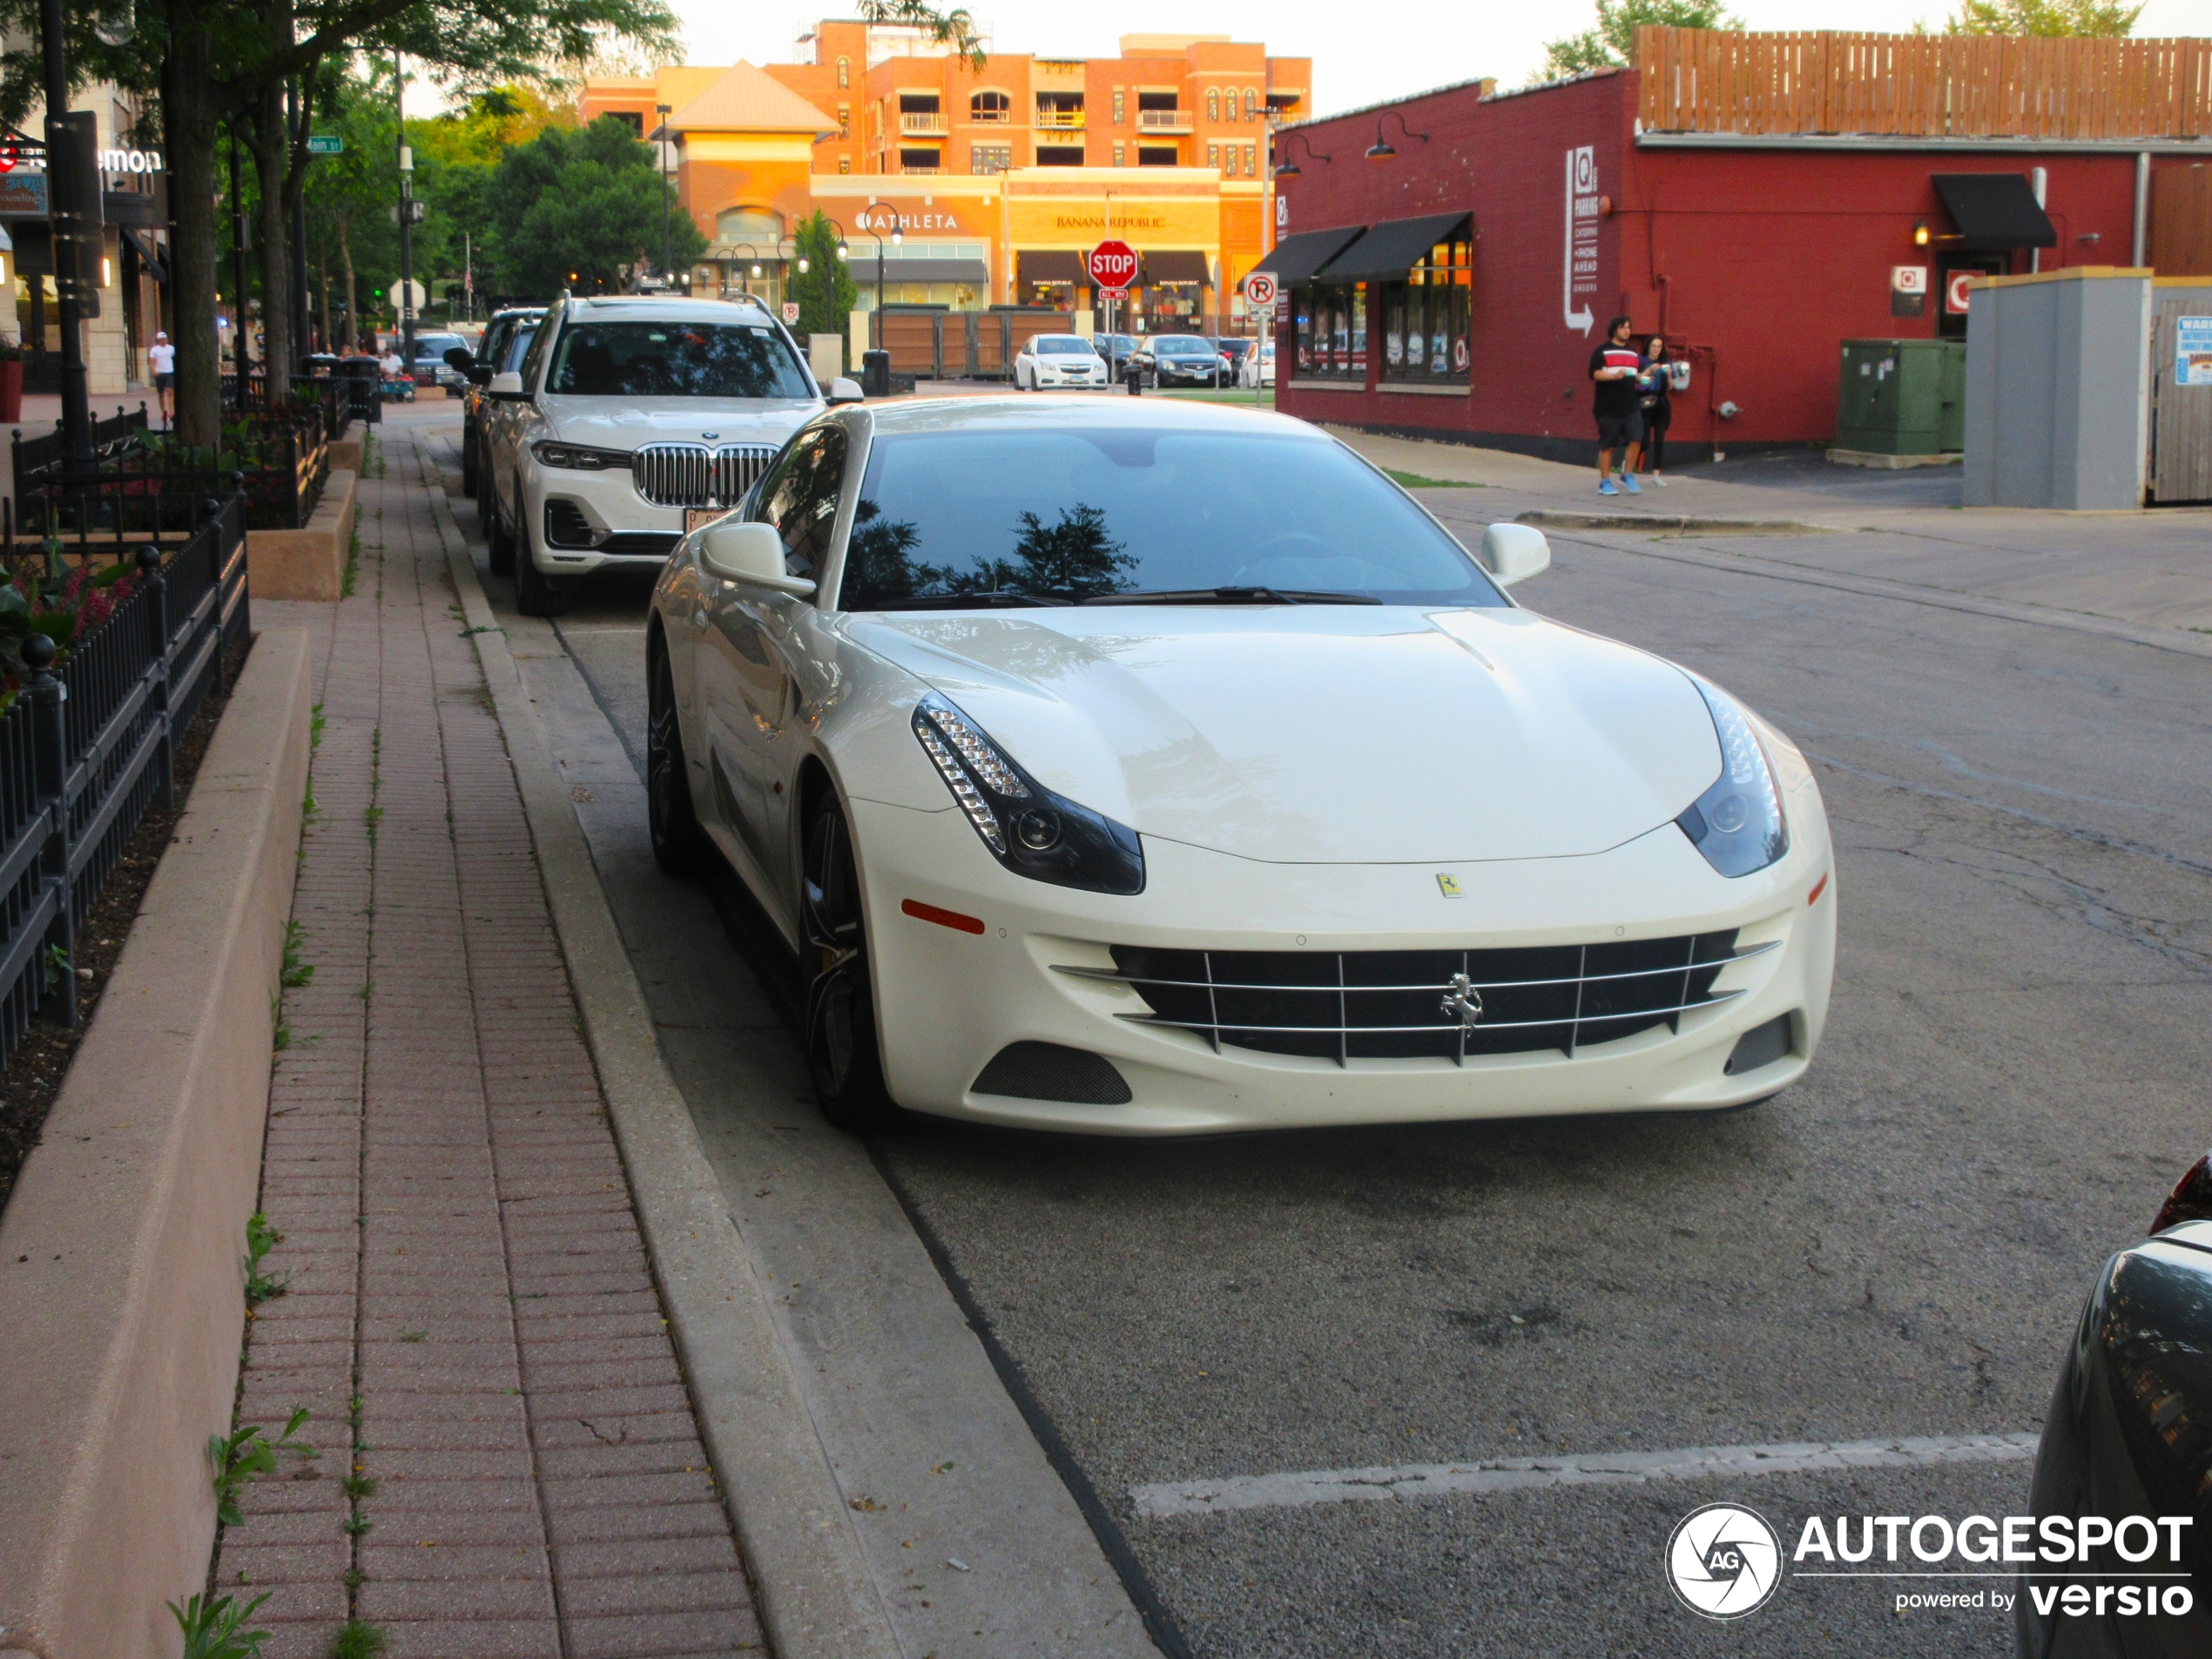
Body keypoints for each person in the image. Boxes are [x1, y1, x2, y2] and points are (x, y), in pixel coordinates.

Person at [1588, 315, 1642, 496]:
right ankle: (1605, 481)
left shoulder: (1633, 352)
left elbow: (1634, 374)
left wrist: (1641, 377)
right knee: (1608, 444)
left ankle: (1627, 475)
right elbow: (1594, 373)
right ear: (1614, 330)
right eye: (1623, 327)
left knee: (1637, 437)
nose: (1627, 330)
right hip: (1608, 406)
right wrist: (1613, 376)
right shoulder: (1602, 351)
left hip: (1630, 405)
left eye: (1629, 327)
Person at [1638, 335, 1673, 487]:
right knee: (1644, 440)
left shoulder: (1666, 362)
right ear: (1648, 347)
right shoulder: (1642, 360)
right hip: (1645, 401)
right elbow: (1637, 381)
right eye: (1653, 346)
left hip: (1660, 403)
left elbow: (1670, 386)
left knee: (1660, 439)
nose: (1656, 350)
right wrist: (1649, 370)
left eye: (1659, 346)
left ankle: (1657, 474)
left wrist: (1669, 375)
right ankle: (1629, 463)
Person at [146, 331, 176, 428]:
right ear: (159, 340)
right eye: (162, 339)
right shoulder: (154, 350)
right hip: (159, 373)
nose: (164, 341)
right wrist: (154, 370)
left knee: (170, 391)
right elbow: (151, 362)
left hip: (169, 372)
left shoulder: (171, 349)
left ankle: (171, 411)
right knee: (161, 394)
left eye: (165, 339)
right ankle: (164, 412)